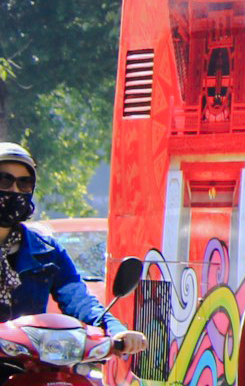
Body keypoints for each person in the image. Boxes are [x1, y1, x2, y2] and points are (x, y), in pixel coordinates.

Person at [0, 143, 144, 353]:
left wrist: (115, 330)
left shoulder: (46, 251)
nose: (14, 191)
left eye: (24, 183)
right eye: (5, 180)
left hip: (31, 368)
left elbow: (79, 300)